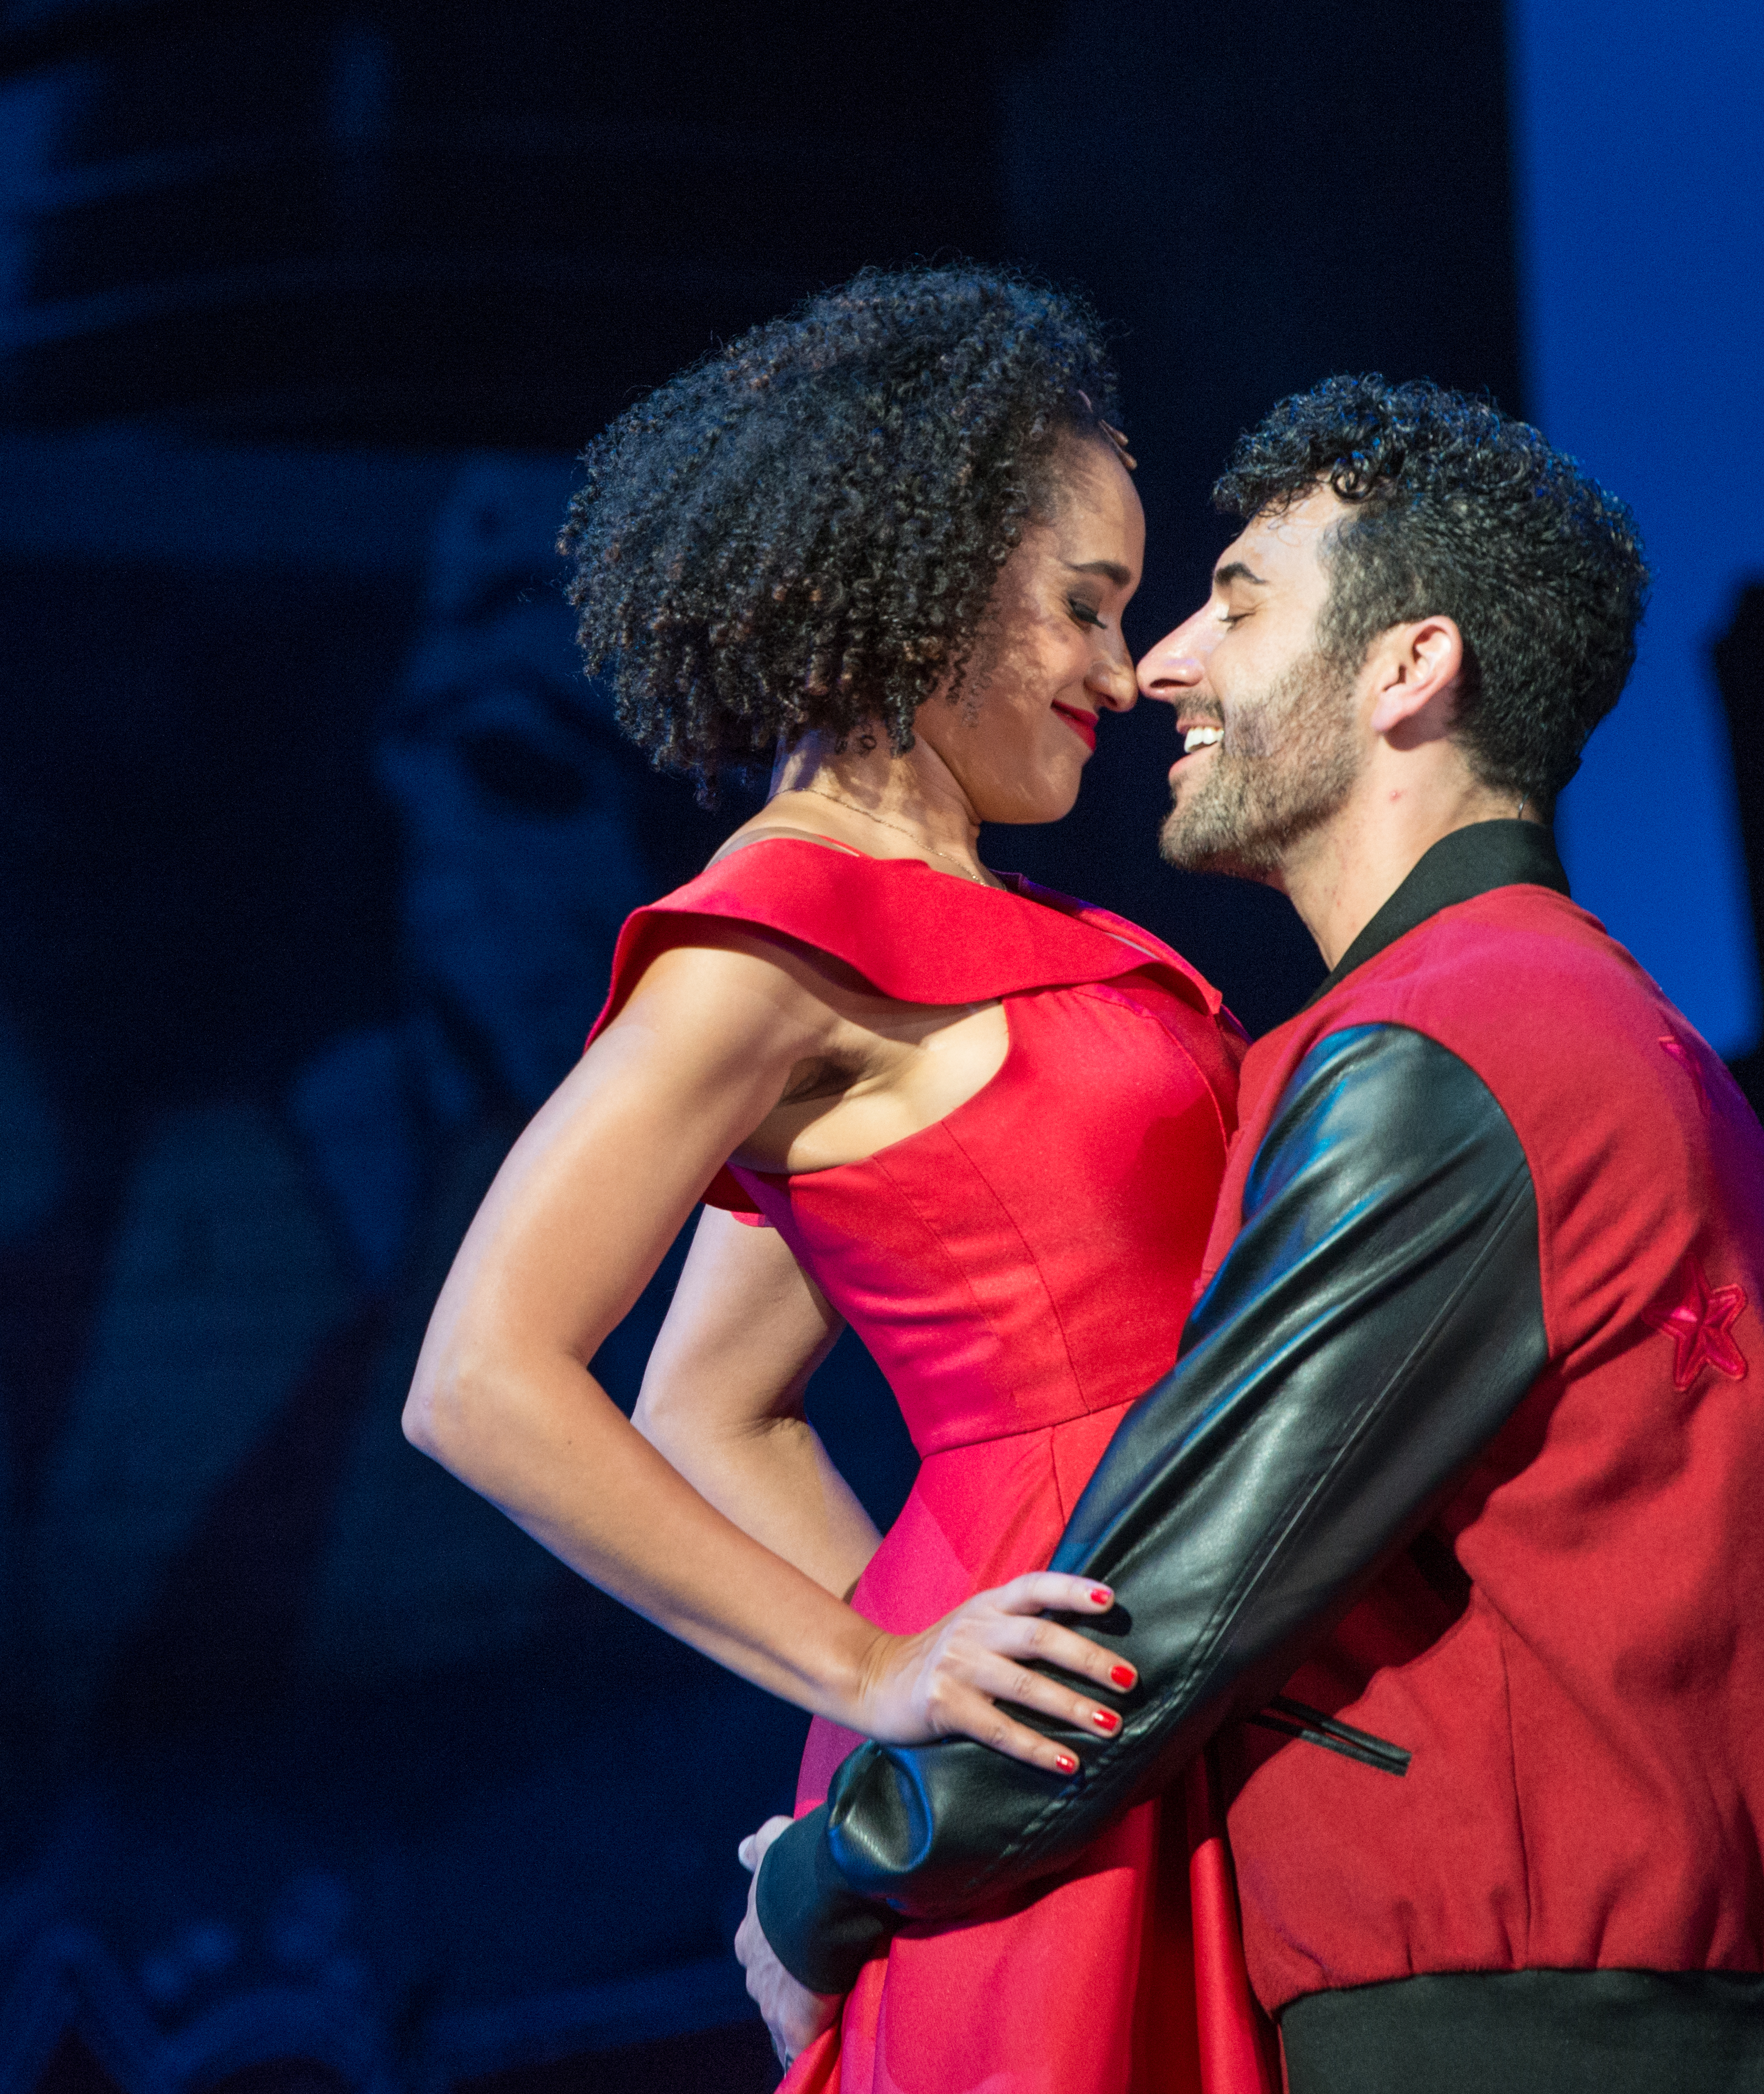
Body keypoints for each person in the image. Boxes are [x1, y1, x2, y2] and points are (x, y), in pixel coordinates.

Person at [743, 377, 1764, 2093]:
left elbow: (1152, 1615)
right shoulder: (1585, 1025)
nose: (1163, 668)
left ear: (1406, 669)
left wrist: (829, 1874)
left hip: (1503, 2042)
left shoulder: (1451, 1051)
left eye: (1236, 603)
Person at [404, 266, 1269, 2092]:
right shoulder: (773, 936)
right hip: (1082, 1688)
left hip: (1145, 1650)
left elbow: (713, 1409)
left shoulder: (972, 923)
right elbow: (479, 1381)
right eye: (1084, 608)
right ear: (918, 585)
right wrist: (875, 1684)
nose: (1122, 673)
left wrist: (906, 1683)